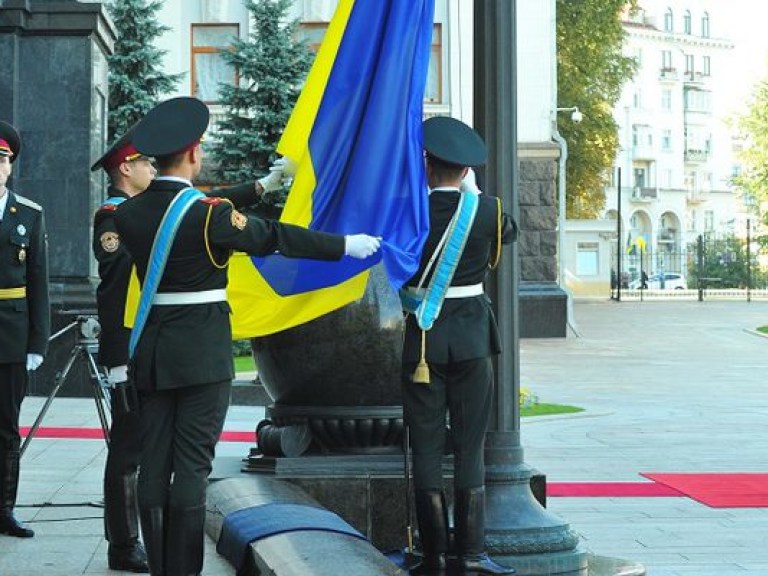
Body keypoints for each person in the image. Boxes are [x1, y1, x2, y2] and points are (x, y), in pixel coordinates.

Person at [113, 96, 381, 576]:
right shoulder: (210, 216)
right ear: (194, 154)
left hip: (152, 353)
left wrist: (256, 188)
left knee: (153, 468)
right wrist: (344, 246)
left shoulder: (127, 216)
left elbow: (183, 211)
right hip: (201, 356)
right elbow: (274, 236)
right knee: (191, 468)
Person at [91, 121, 278, 574]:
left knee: (147, 454)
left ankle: (149, 549)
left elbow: (197, 209)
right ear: (126, 168)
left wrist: (260, 186)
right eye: (143, 163)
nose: (152, 170)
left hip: (157, 343)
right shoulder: (114, 215)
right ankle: (122, 542)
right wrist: (117, 360)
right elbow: (115, 291)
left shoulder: (148, 208)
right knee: (129, 450)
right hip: (137, 347)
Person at [401, 116, 516, 575]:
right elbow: (506, 235)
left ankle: (432, 557)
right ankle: (472, 555)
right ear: (466, 170)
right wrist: (474, 195)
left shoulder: (407, 212)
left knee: (426, 447)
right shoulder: (486, 211)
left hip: (424, 341)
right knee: (470, 447)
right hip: (470, 338)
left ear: (426, 165)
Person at [0, 120, 50, 538]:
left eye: (1, 160)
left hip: (10, 336)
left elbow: (39, 281)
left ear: (10, 166)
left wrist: (37, 341)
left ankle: (4, 510)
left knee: (5, 427)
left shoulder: (28, 214)